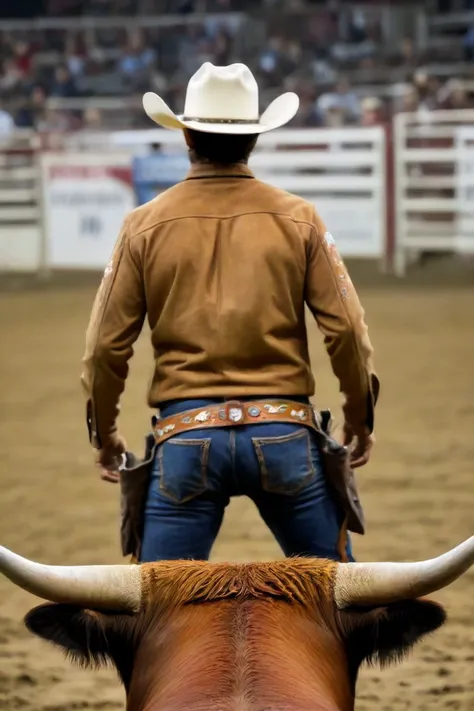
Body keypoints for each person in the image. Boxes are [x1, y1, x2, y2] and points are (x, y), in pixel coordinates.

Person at [81, 62, 379, 564]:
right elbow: (346, 330)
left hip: (185, 435)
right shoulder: (298, 218)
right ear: (254, 140)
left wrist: (107, 435)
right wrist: (359, 417)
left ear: (187, 138)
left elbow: (104, 348)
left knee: (157, 614)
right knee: (339, 602)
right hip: (284, 429)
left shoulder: (142, 226)